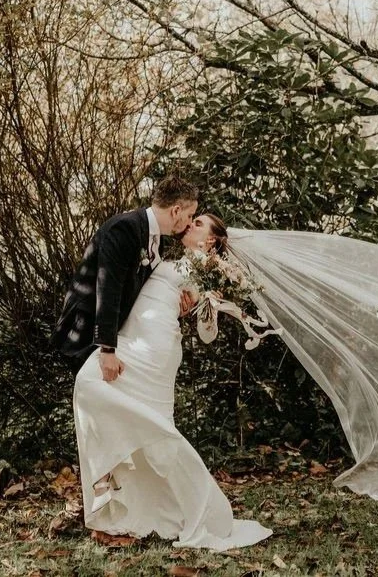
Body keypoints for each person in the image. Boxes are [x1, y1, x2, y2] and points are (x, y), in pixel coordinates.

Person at [72, 213, 272, 551]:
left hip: (153, 351)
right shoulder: (174, 258)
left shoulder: (205, 269)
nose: (190, 225)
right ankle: (123, 514)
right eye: (192, 220)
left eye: (199, 225)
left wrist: (201, 304)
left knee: (95, 388)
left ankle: (174, 503)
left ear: (210, 241)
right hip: (132, 338)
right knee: (100, 395)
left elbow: (208, 334)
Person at [52, 177, 199, 374]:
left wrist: (174, 302)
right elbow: (108, 287)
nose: (189, 223)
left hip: (116, 335)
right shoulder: (125, 228)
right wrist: (107, 349)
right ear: (176, 211)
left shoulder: (156, 240)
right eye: (190, 216)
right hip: (85, 335)